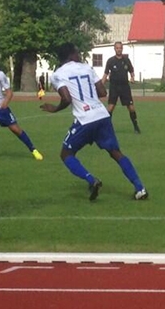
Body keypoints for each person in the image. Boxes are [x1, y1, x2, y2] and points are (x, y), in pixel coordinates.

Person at [41, 43, 148, 201]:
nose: (79, 55)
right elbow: (103, 92)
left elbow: (66, 98)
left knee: (66, 154)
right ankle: (140, 188)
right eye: (77, 52)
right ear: (70, 55)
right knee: (116, 153)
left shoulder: (58, 74)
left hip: (85, 119)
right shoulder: (87, 68)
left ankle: (92, 180)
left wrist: (56, 108)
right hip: (102, 115)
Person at [102, 41, 141, 134]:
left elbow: (131, 71)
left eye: (120, 48)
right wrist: (100, 85)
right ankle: (106, 128)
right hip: (114, 87)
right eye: (117, 48)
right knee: (110, 107)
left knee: (131, 107)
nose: (119, 49)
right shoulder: (110, 61)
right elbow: (105, 75)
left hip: (125, 87)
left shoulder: (126, 60)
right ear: (114, 49)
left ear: (122, 49)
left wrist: (132, 77)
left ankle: (136, 127)